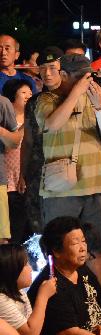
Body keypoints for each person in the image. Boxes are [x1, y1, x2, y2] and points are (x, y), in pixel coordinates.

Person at [35, 54, 101, 287]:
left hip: (95, 187)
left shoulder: (93, 99)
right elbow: (52, 124)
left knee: (100, 248)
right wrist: (76, 92)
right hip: (61, 190)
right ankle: (62, 303)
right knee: (59, 250)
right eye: (82, 77)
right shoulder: (47, 100)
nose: (88, 81)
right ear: (64, 76)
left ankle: (97, 306)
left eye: (89, 75)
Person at [30, 216, 101, 335]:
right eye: (75, 243)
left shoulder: (81, 270)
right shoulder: (50, 284)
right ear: (56, 251)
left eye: (83, 241)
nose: (83, 248)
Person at [20, 47, 63, 238]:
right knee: (39, 228)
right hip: (38, 173)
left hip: (65, 173)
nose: (47, 73)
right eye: (43, 68)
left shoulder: (74, 98)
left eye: (52, 67)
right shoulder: (33, 102)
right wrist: (22, 173)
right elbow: (27, 141)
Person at [0, 244, 56, 335]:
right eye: (26, 265)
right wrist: (43, 296)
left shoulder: (19, 292)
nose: (30, 269)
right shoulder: (1, 300)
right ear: (11, 270)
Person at [2, 80, 32, 244]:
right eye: (23, 92)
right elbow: (7, 147)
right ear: (12, 96)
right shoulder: (5, 120)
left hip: (29, 181)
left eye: (30, 92)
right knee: (15, 230)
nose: (29, 96)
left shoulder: (33, 119)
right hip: (10, 183)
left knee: (30, 232)